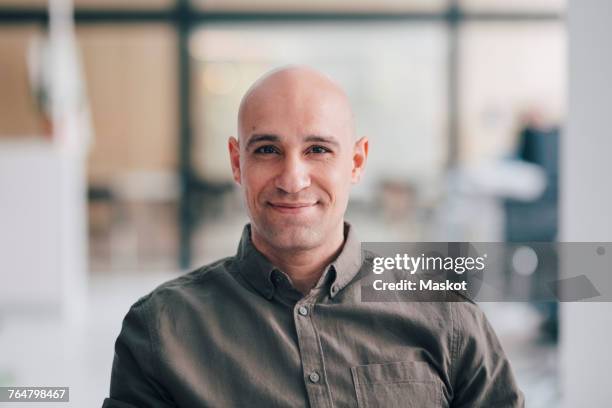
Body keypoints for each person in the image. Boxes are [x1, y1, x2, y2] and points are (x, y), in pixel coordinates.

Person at [102, 66, 524, 407]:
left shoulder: (446, 318)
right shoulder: (161, 329)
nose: (292, 179)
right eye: (267, 149)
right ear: (236, 162)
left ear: (356, 162)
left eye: (318, 150)